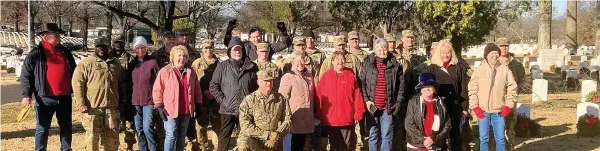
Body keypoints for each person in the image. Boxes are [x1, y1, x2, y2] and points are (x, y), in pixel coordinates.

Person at [21, 23, 77, 151]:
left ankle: (66, 149)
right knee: (42, 128)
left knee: (66, 127)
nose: (57, 37)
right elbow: (25, 75)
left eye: (58, 34)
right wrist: (26, 96)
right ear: (45, 36)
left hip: (64, 97)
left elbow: (74, 71)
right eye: (54, 34)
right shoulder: (35, 54)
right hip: (44, 98)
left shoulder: (65, 52)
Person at [72, 38, 125, 151]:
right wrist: (81, 103)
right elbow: (77, 83)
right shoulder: (86, 63)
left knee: (112, 139)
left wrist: (122, 102)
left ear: (108, 47)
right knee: (92, 140)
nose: (101, 49)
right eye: (99, 46)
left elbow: (122, 84)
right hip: (92, 109)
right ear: (95, 48)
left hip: (111, 108)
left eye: (104, 46)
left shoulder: (115, 63)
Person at [209, 37, 259, 151]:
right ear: (230, 52)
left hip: (246, 109)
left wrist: (252, 103)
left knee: (246, 137)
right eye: (234, 50)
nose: (237, 52)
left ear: (243, 51)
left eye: (239, 49)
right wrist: (223, 100)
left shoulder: (252, 67)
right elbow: (213, 85)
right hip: (227, 108)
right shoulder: (222, 66)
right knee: (225, 136)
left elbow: (257, 87)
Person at [152, 45, 203, 151]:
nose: (182, 58)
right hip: (169, 110)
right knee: (171, 135)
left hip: (186, 110)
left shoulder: (191, 72)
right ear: (173, 57)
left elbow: (197, 89)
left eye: (184, 56)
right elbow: (157, 90)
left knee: (181, 136)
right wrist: (159, 106)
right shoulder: (165, 71)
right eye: (179, 55)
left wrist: (198, 104)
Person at [468, 43, 518, 151]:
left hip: (499, 111)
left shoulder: (505, 70)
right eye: (492, 53)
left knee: (500, 139)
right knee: (483, 139)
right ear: (486, 55)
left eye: (496, 53)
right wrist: (475, 107)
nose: (494, 56)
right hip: (483, 111)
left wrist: (508, 106)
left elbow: (512, 88)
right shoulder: (479, 70)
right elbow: (472, 90)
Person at [359, 38, 405, 151]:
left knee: (387, 136)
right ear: (374, 50)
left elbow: (401, 85)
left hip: (387, 107)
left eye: (384, 49)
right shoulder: (367, 63)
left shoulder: (395, 64)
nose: (382, 52)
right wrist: (367, 101)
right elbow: (362, 83)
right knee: (373, 135)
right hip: (372, 107)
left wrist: (398, 102)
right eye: (379, 49)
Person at [425, 40, 471, 151]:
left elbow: (463, 88)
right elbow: (427, 89)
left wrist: (464, 108)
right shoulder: (432, 68)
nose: (446, 55)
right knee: (440, 136)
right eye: (443, 52)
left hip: (455, 106)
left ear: (452, 53)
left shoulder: (458, 67)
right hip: (438, 107)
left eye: (448, 52)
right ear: (438, 53)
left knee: (455, 136)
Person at [315, 51, 366, 151]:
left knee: (347, 145)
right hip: (330, 119)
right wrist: (319, 113)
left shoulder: (350, 76)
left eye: (342, 59)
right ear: (332, 61)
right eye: (337, 59)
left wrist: (358, 112)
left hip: (346, 118)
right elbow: (319, 96)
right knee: (334, 145)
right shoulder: (326, 76)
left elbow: (357, 96)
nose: (340, 61)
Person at [237, 70, 292, 151]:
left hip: (274, 137)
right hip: (253, 137)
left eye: (270, 80)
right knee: (243, 147)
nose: (269, 83)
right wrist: (267, 135)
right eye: (265, 81)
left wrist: (276, 135)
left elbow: (287, 119)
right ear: (258, 82)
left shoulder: (280, 99)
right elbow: (245, 125)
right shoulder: (249, 100)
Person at [278, 51, 317, 151]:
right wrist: (285, 119)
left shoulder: (309, 76)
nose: (300, 63)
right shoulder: (288, 77)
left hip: (305, 120)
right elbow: (282, 99)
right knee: (290, 148)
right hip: (293, 121)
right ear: (292, 62)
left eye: (302, 60)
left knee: (300, 147)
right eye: (297, 61)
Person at [405, 73, 452, 151]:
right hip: (415, 145)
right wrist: (424, 140)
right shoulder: (413, 102)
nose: (427, 89)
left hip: (434, 144)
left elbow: (447, 124)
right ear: (420, 89)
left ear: (434, 88)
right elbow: (408, 124)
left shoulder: (441, 103)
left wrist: (433, 138)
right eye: (424, 86)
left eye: (429, 86)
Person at [129, 36, 160, 151]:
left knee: (148, 128)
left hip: (149, 101)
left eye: (142, 47)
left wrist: (157, 100)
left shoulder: (153, 62)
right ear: (134, 49)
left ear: (146, 48)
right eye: (137, 48)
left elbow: (159, 82)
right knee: (139, 128)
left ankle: (153, 148)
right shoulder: (132, 64)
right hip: (135, 101)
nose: (140, 50)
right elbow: (128, 83)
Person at [190, 39, 221, 151]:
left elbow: (224, 81)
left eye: (210, 48)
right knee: (201, 127)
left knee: (217, 127)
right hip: (201, 100)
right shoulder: (196, 63)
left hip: (216, 101)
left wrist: (214, 93)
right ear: (202, 49)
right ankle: (203, 147)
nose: (208, 50)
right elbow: (192, 81)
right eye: (206, 48)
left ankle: (217, 147)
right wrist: (203, 92)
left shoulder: (220, 64)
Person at [496, 37, 525, 151]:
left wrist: (515, 93)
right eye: (501, 46)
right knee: (496, 128)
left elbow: (522, 79)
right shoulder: (493, 61)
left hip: (510, 100)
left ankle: (510, 148)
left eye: (506, 46)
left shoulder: (516, 64)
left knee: (510, 127)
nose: (504, 48)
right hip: (495, 100)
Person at [112, 37, 137, 151]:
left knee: (130, 123)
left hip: (128, 95)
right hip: (113, 96)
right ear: (113, 43)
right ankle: (113, 146)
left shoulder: (130, 57)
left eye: (121, 43)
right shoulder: (108, 57)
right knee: (113, 124)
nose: (118, 45)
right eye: (116, 43)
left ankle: (129, 146)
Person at [224, 19, 291, 60]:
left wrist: (284, 32)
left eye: (258, 36)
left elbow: (286, 44)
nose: (256, 39)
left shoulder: (268, 46)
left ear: (261, 36)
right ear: (249, 38)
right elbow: (228, 44)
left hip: (265, 77)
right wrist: (228, 32)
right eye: (253, 37)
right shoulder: (245, 46)